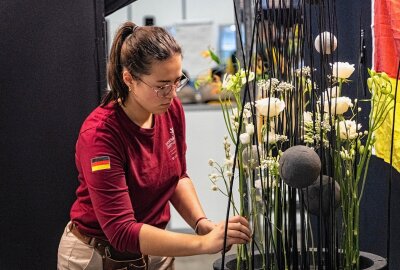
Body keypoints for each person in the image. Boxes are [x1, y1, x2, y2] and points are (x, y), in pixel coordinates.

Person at [57, 21, 251, 270]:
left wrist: (201, 224)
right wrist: (203, 244)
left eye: (177, 81)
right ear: (129, 78)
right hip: (97, 257)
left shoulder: (170, 110)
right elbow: (122, 232)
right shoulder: (100, 135)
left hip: (152, 252)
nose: (171, 94)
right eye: (161, 86)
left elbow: (177, 177)